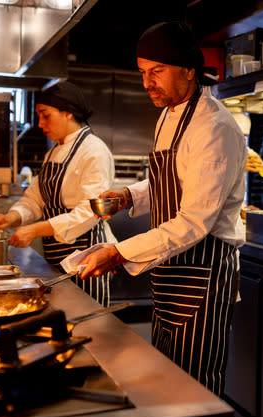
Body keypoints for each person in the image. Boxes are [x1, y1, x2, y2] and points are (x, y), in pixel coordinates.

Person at [77, 21, 247, 395]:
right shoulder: (169, 114)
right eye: (142, 73)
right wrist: (129, 195)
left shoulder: (214, 129)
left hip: (203, 272)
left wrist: (119, 253)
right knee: (169, 380)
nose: (146, 83)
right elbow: (170, 182)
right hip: (171, 272)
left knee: (195, 390)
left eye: (157, 72)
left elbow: (193, 221)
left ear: (188, 69)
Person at [0, 81, 115, 306]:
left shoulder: (94, 151)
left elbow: (89, 213)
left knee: (87, 320)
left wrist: (35, 229)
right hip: (56, 255)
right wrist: (10, 219)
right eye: (38, 116)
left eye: (45, 115)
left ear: (67, 113)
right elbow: (35, 199)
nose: (40, 123)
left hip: (86, 256)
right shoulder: (53, 152)